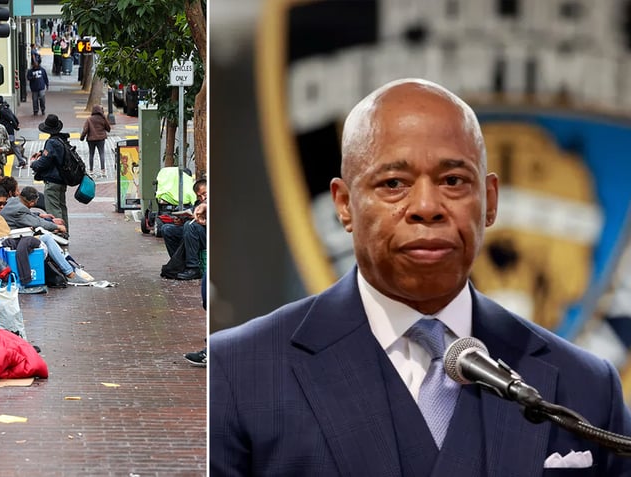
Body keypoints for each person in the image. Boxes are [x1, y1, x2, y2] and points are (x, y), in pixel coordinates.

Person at [209, 78, 631, 476]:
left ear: (489, 201)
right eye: (393, 183)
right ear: (343, 204)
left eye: (453, 181)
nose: (427, 206)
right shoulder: (238, 373)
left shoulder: (587, 386)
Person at [0, 185, 88, 285]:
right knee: (47, 238)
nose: (2, 207)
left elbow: (27, 216)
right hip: (7, 239)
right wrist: (2, 235)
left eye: (3, 204)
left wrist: (40, 215)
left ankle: (68, 269)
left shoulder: (10, 204)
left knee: (46, 238)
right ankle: (69, 273)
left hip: (10, 237)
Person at [30, 114, 71, 239]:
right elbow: (54, 157)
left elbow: (45, 162)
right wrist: (43, 153)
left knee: (53, 210)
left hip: (52, 181)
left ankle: (59, 234)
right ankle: (65, 232)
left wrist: (34, 164)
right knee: (62, 207)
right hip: (62, 180)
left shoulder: (52, 142)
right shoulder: (61, 140)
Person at [0, 96, 26, 167]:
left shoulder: (3, 111)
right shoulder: (6, 108)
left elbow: (11, 118)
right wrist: (16, 125)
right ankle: (21, 161)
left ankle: (20, 161)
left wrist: (15, 126)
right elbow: (13, 116)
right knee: (12, 146)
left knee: (8, 146)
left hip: (7, 132)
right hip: (9, 131)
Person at [80, 104, 111, 178]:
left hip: (91, 140)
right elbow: (108, 129)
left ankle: (91, 171)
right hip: (101, 139)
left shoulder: (89, 119)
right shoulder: (103, 118)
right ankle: (103, 171)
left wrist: (82, 137)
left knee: (91, 154)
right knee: (102, 154)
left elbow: (85, 130)